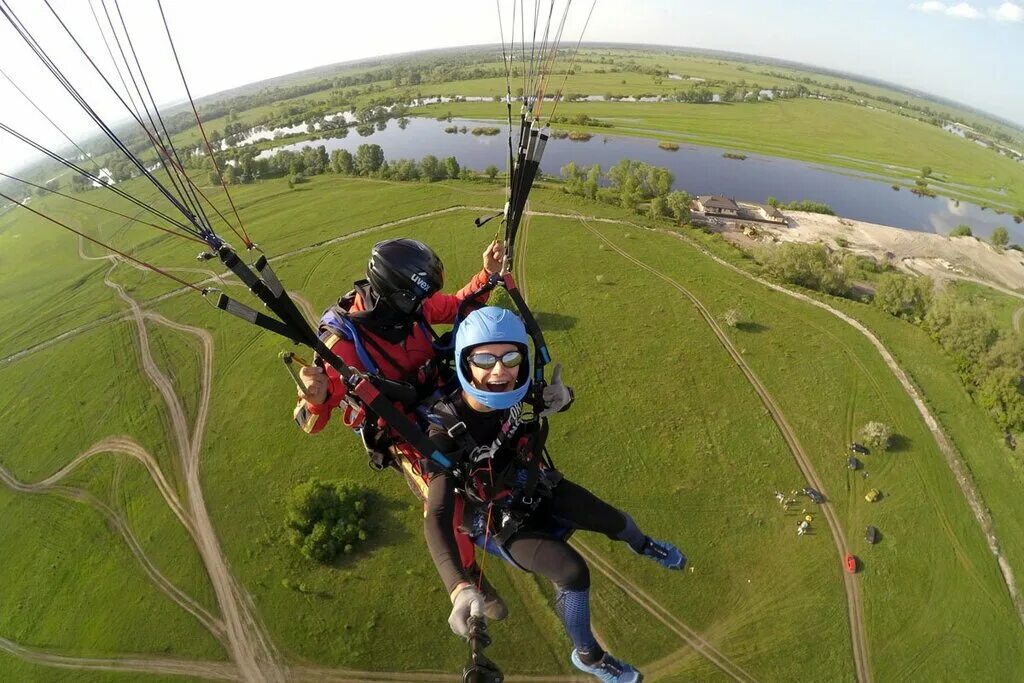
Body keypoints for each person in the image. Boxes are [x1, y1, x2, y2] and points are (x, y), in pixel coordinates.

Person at [420, 306, 685, 682]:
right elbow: (437, 513)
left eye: (510, 357)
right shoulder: (445, 431)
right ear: (465, 362)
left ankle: (643, 545)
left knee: (613, 520)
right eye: (484, 358)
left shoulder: (517, 389)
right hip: (494, 518)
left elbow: (550, 400)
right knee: (573, 572)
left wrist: (565, 396)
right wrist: (458, 585)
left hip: (532, 483)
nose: (499, 371)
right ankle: (589, 656)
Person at [293, 237, 508, 618]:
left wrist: (488, 275)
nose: (424, 307)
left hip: (441, 402)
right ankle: (469, 575)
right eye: (416, 300)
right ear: (394, 294)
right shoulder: (341, 347)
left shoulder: (413, 308)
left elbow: (460, 308)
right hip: (403, 432)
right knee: (448, 503)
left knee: (503, 433)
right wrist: (315, 396)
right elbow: (309, 423)